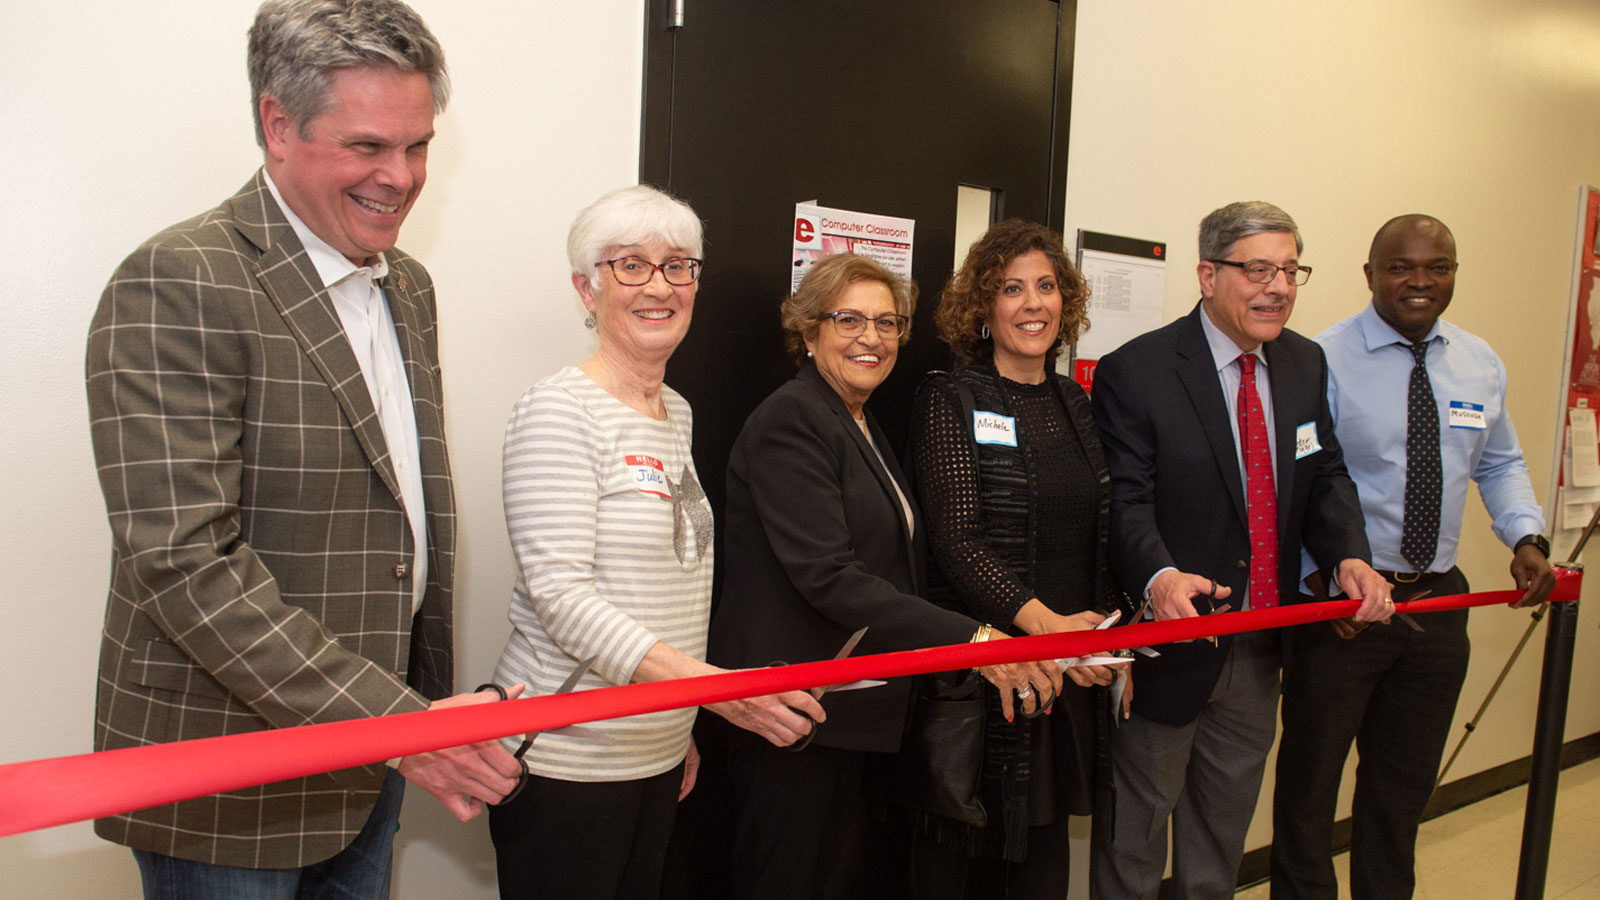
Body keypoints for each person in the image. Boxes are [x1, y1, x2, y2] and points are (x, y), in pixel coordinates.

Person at [84, 2, 522, 897]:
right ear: (277, 126)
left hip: (367, 773)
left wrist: (408, 721)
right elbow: (184, 563)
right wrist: (399, 725)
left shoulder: (409, 287)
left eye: (418, 146)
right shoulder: (180, 278)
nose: (400, 178)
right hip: (227, 783)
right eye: (367, 146)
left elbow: (394, 521)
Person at [486, 185, 828, 900]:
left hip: (656, 747)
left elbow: (667, 581)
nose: (659, 286)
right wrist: (718, 694)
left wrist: (680, 723)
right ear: (587, 288)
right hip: (568, 755)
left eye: (677, 266)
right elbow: (561, 599)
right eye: (631, 266)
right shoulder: (559, 410)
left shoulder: (676, 410)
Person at [708, 252, 1058, 899]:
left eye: (887, 322)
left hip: (840, 713)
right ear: (809, 330)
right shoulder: (793, 418)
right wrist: (976, 641)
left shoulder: (857, 420)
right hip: (789, 713)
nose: (871, 337)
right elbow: (831, 576)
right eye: (849, 320)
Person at [1088, 201, 1393, 900]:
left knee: (1218, 841)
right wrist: (1160, 576)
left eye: (1290, 270)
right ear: (1207, 275)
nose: (1278, 287)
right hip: (1169, 644)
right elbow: (1125, 502)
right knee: (1135, 840)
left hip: (1260, 646)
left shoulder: (1305, 363)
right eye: (1258, 270)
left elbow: (1325, 476)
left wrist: (1347, 555)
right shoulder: (1139, 370)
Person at [1269, 215, 1555, 900]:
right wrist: (1323, 580)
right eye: (1401, 266)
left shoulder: (1479, 362)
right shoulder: (1321, 359)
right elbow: (1300, 481)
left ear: (1454, 273)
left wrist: (1527, 537)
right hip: (1340, 607)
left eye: (1438, 266)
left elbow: (1501, 462)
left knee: (1400, 792)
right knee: (1309, 793)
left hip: (1438, 602)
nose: (1420, 281)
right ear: (1370, 274)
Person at [906, 220, 1124, 898]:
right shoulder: (952, 399)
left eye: (1047, 286)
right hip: (985, 680)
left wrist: (1106, 639)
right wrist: (1045, 625)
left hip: (1062, 679)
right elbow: (956, 541)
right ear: (983, 306)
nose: (1033, 304)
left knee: (1041, 874)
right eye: (1011, 289)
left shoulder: (1073, 400)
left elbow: (1096, 533)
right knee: (961, 869)